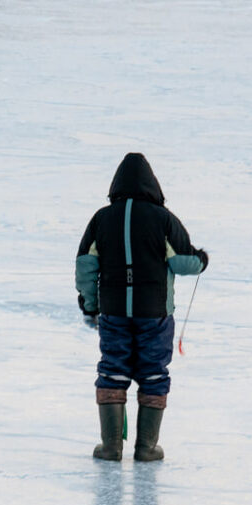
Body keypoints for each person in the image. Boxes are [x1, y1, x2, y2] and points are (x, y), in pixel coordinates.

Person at [75, 153, 208, 461]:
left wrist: (90, 305)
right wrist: (202, 259)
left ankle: (111, 447)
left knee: (112, 371)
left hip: (113, 312)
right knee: (153, 374)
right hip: (155, 315)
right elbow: (183, 262)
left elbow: (85, 267)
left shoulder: (101, 219)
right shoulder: (163, 218)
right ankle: (146, 448)